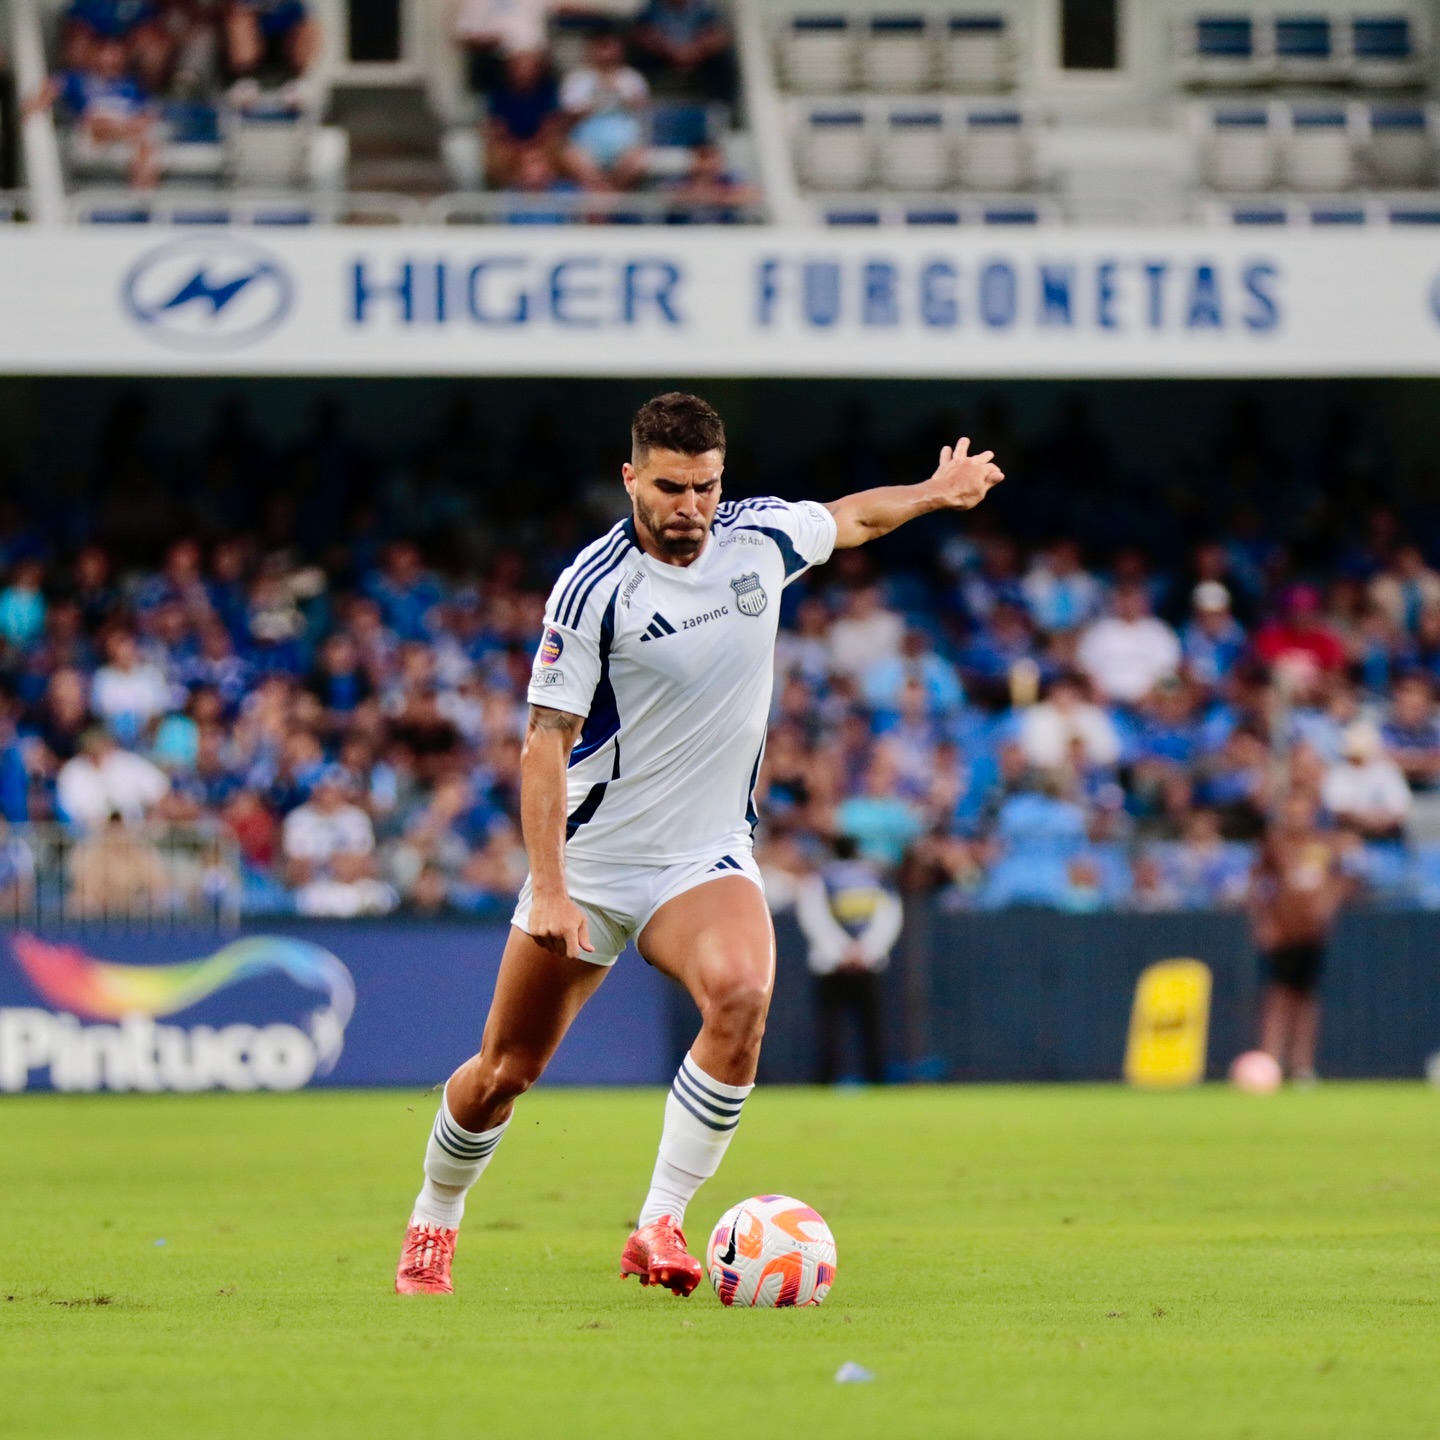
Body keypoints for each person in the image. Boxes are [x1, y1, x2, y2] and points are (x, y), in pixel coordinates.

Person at [393, 391, 1004, 1296]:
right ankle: (434, 1218)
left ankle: (660, 1223)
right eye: (672, 487)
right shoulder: (593, 590)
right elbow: (543, 745)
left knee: (744, 993)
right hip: (595, 866)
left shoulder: (759, 540)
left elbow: (853, 518)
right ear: (633, 477)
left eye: (706, 487)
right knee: (503, 1074)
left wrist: (932, 489)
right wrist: (552, 888)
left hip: (703, 856)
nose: (690, 507)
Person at [1247, 792, 1352, 1084]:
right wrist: (1264, 923)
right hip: (1284, 933)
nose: (1297, 818)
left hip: (1312, 934)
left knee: (1307, 999)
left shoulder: (1324, 844)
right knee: (1278, 996)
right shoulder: (1275, 843)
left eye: (1303, 812)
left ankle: (1302, 1065)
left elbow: (1339, 880)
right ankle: (1271, 1061)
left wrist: (1329, 905)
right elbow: (1257, 885)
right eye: (1292, 812)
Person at [795, 836, 902, 1085]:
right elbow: (890, 915)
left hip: (830, 963)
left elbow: (814, 916)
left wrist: (840, 950)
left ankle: (826, 1080)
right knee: (870, 1028)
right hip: (867, 962)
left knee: (829, 1028)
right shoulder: (875, 878)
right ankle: (875, 1079)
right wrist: (867, 950)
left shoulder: (821, 878)